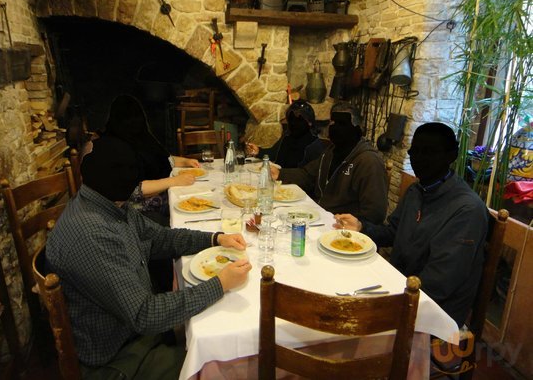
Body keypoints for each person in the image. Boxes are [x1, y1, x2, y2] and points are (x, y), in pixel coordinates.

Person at [46, 136, 252, 379]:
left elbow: (160, 238)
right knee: (225, 367)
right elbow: (144, 314)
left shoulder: (111, 204)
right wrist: (220, 284)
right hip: (118, 359)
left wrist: (215, 238)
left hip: (135, 334)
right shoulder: (92, 234)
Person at [334, 122, 489, 327]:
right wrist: (362, 228)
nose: (420, 158)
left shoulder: (466, 210)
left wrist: (384, 301)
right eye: (415, 151)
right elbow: (393, 232)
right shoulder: (418, 190)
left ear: (452, 156)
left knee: (345, 321)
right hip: (400, 286)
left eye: (430, 152)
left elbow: (439, 284)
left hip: (433, 311)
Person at [270, 102, 388, 224]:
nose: (335, 128)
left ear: (357, 128)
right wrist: (279, 174)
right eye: (333, 122)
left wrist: (352, 224)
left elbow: (375, 213)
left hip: (341, 226)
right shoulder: (332, 152)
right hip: (319, 214)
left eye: (342, 124)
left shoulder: (369, 162)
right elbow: (308, 175)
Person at [102, 94, 199, 226]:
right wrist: (174, 181)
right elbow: (134, 190)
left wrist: (186, 162)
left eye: (137, 118)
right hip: (138, 212)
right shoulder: (114, 148)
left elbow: (161, 158)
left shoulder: (140, 138)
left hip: (162, 198)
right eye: (131, 120)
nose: (136, 123)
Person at [245, 100, 326, 168]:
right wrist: (258, 151)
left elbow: (306, 176)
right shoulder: (288, 137)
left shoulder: (314, 145)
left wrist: (281, 174)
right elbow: (273, 153)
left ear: (309, 122)